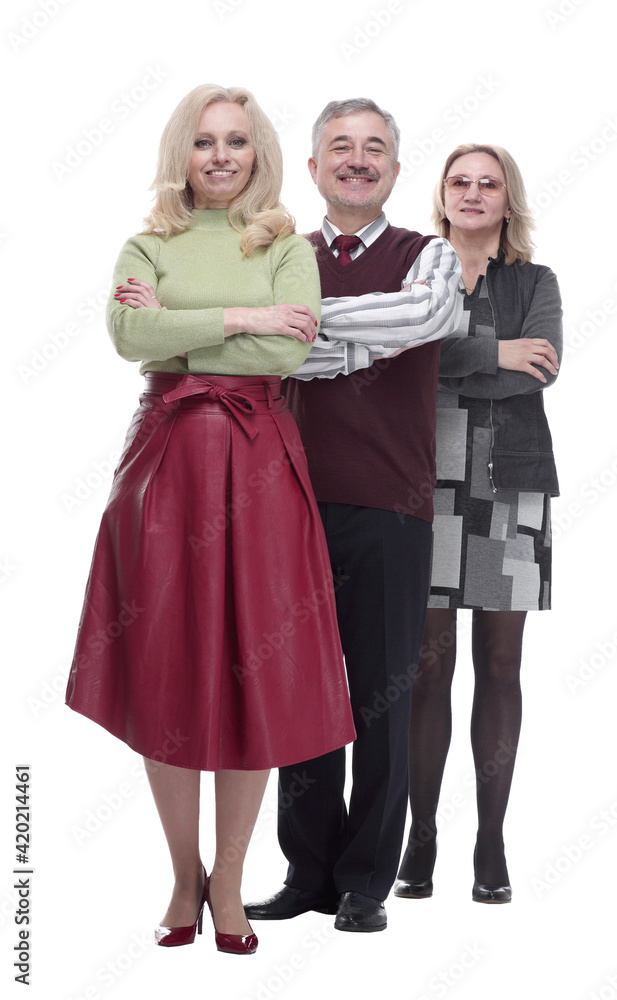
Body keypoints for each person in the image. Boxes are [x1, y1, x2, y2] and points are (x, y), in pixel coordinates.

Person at [65, 84, 358, 956]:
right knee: (168, 665)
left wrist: (185, 330)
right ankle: (180, 870)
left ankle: (228, 877)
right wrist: (240, 316)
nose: (220, 156)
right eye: (204, 143)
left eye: (236, 140)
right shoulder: (145, 239)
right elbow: (126, 335)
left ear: (259, 151)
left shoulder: (286, 246)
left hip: (261, 461)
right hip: (163, 470)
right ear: (181, 154)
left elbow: (289, 347)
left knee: (253, 666)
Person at [244, 98, 463, 933]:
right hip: (285, 507)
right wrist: (320, 336)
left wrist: (297, 331)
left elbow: (428, 315)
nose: (357, 159)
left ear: (396, 171)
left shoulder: (427, 253)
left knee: (377, 698)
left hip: (390, 506)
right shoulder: (278, 256)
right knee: (300, 697)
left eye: (374, 148)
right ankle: (308, 872)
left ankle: (366, 881)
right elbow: (248, 351)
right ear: (312, 168)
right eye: (340, 146)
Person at [393, 144, 562, 904]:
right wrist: (494, 350)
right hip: (419, 479)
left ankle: (489, 841)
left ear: (505, 198)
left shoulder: (536, 281)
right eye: (458, 181)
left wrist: (454, 354)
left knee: (499, 668)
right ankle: (419, 836)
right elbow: (402, 361)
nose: (471, 192)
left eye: (486, 183)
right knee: (425, 668)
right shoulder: (414, 272)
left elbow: (542, 365)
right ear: (442, 194)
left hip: (508, 484)